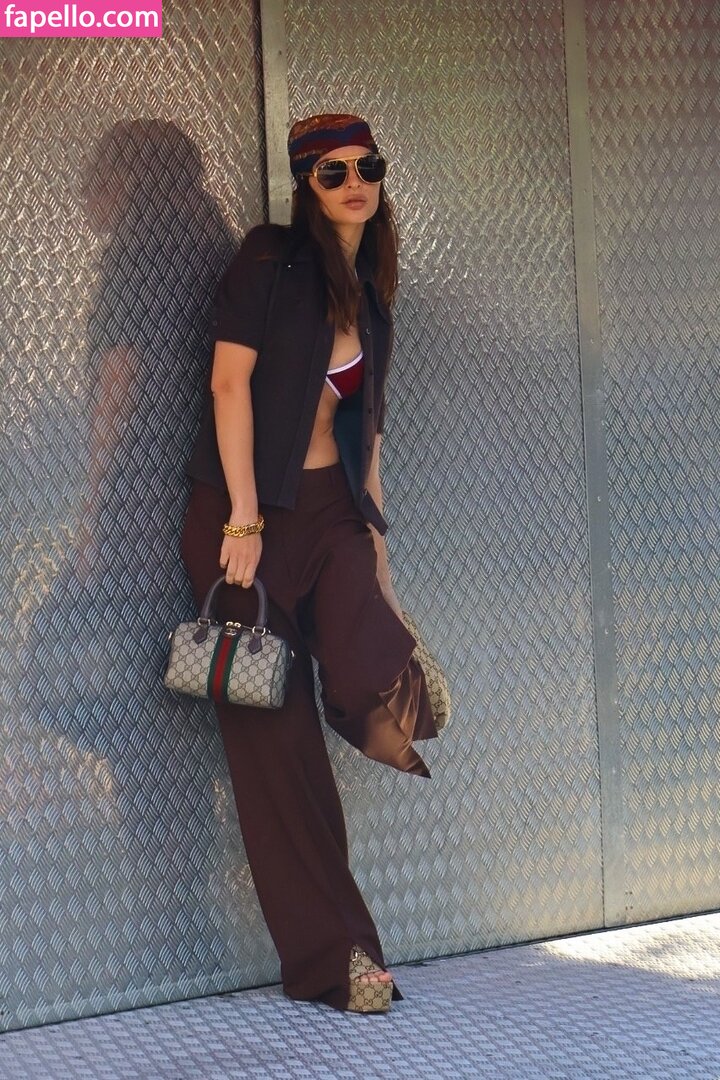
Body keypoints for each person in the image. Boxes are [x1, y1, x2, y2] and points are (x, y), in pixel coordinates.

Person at [180, 112, 438, 1014]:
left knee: (374, 664)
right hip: (244, 523)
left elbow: (370, 433)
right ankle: (341, 961)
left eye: (367, 166)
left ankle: (370, 691)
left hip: (333, 517)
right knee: (279, 759)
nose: (354, 183)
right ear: (305, 184)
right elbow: (228, 383)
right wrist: (244, 517)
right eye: (333, 172)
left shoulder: (372, 292)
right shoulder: (268, 259)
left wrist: (379, 556)